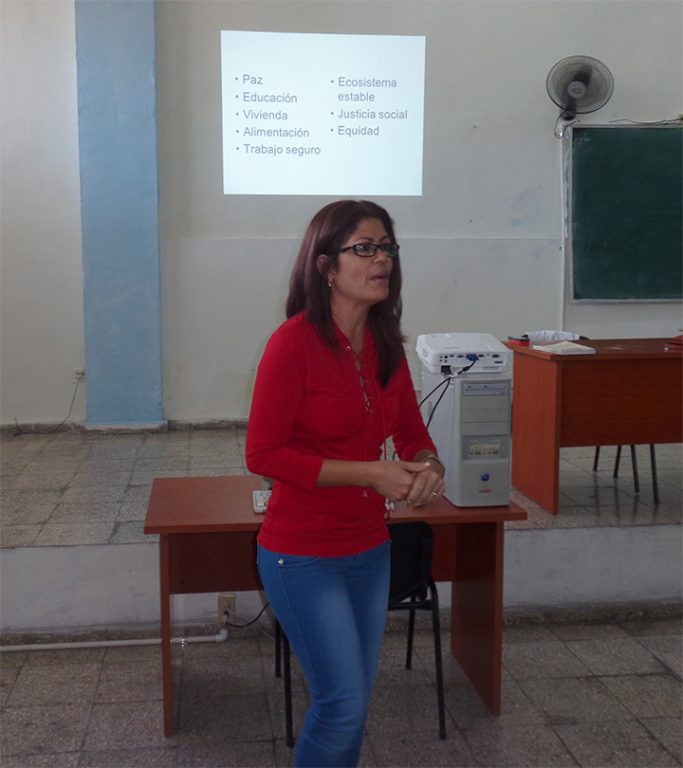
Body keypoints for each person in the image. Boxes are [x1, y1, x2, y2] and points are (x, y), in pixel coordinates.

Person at [246, 200, 445, 767]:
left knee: (354, 703)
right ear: (326, 267)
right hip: (301, 554)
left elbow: (410, 430)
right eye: (365, 248)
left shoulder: (385, 347)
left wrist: (430, 464)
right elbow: (263, 452)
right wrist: (371, 473)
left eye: (387, 247)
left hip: (369, 548)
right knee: (341, 704)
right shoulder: (291, 345)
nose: (381, 259)